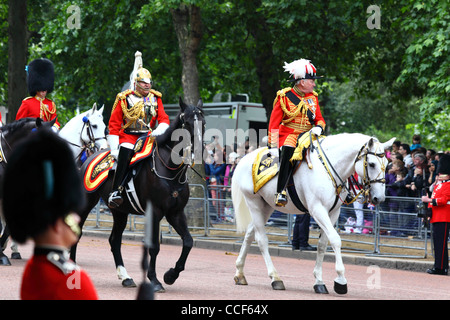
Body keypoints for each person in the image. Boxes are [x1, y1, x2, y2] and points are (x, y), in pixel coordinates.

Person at [2, 128, 98, 299]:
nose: (77, 217)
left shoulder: (33, 268)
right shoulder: (72, 278)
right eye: (70, 212)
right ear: (54, 218)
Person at [108, 51, 170, 208]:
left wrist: (160, 129)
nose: (147, 85)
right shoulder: (124, 98)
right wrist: (114, 147)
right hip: (129, 138)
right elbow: (114, 125)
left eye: (149, 82)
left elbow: (163, 119)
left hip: (148, 137)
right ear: (136, 83)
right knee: (126, 152)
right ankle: (116, 191)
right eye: (144, 82)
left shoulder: (156, 98)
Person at [268, 59, 326, 206]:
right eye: (312, 80)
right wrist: (274, 146)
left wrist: (319, 127)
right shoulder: (284, 96)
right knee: (288, 149)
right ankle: (280, 191)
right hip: (289, 134)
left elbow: (319, 119)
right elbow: (274, 124)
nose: (314, 84)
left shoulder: (313, 97)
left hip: (309, 134)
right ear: (302, 82)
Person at [421, 154, 450, 275]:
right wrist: (427, 215)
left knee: (441, 244)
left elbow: (443, 201)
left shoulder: (448, 185)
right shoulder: (439, 185)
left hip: (444, 217)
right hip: (435, 217)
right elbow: (432, 197)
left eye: (441, 173)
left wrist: (428, 201)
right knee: (437, 244)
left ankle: (441, 268)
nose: (439, 175)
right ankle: (439, 265)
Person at [16, 58, 60, 131]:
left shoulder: (51, 104)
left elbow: (55, 121)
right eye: (41, 89)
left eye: (45, 89)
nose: (43, 92)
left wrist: (54, 128)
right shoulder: (27, 103)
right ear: (36, 88)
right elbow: (19, 122)